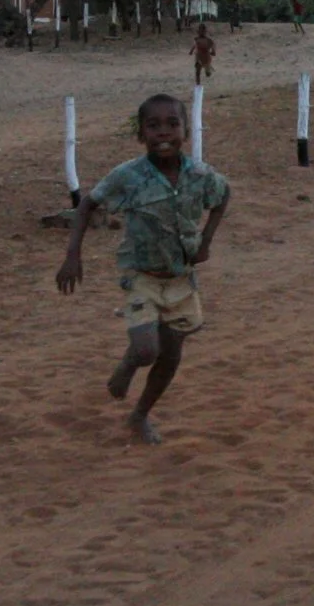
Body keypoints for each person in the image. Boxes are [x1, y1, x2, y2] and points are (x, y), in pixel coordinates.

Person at [56, 94, 231, 445]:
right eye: (153, 126)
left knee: (170, 356)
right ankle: (129, 363)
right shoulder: (129, 176)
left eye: (172, 124)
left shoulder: (199, 175)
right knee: (147, 350)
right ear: (141, 134)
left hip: (181, 278)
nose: (163, 132)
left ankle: (140, 415)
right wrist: (73, 254)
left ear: (186, 131)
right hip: (141, 276)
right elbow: (88, 203)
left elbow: (223, 196)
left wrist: (206, 242)